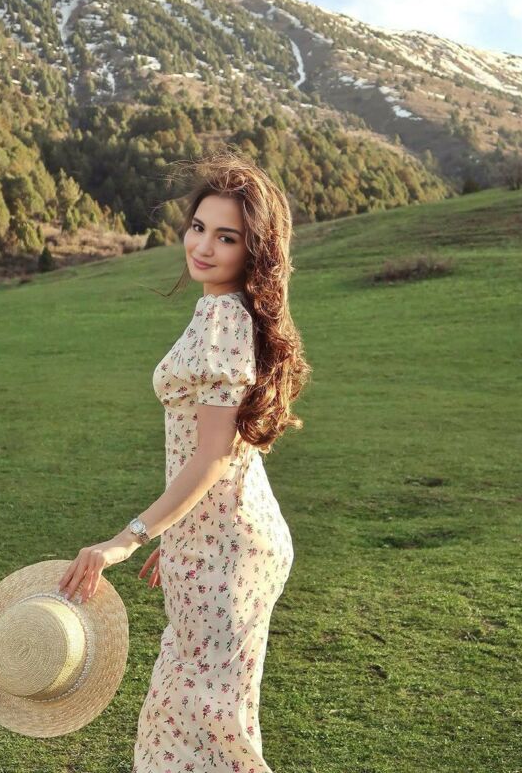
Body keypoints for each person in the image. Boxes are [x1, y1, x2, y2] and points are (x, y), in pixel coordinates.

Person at [57, 148, 312, 771]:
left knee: (208, 726)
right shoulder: (221, 309)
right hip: (216, 537)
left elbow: (215, 456)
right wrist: (181, 532)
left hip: (229, 547)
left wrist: (128, 539)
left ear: (255, 251)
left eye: (227, 237)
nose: (203, 246)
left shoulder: (225, 316)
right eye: (198, 227)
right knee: (194, 719)